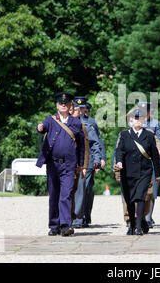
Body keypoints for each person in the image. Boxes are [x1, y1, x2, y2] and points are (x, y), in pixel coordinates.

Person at [36, 92, 85, 236]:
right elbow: (42, 127)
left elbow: (81, 146)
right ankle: (54, 225)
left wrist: (81, 165)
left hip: (69, 165)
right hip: (53, 164)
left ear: (70, 105)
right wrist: (39, 128)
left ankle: (65, 225)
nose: (63, 105)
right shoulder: (51, 120)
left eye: (66, 103)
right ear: (57, 105)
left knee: (66, 194)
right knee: (54, 195)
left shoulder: (76, 123)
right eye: (60, 103)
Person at [115, 109, 160, 235]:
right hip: (127, 171)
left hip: (144, 172)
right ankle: (132, 225)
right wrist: (119, 162)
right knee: (129, 199)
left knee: (141, 197)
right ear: (130, 121)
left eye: (141, 118)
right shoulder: (124, 135)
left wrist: (157, 174)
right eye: (136, 118)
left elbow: (155, 156)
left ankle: (139, 226)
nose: (138, 121)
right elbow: (119, 151)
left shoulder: (149, 135)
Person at [71, 96, 102, 228]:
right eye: (77, 108)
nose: (80, 110)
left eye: (81, 108)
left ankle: (79, 218)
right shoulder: (64, 122)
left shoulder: (89, 124)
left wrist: (98, 159)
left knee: (82, 190)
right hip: (69, 161)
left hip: (85, 162)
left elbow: (97, 143)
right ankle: (70, 216)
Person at [137, 102, 160, 228]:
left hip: (152, 160)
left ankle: (148, 217)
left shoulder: (156, 124)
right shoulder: (133, 123)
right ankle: (140, 216)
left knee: (152, 190)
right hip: (137, 161)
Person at [81, 100, 106, 225]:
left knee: (86, 188)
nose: (85, 112)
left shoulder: (91, 122)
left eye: (86, 110)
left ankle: (85, 215)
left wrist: (101, 158)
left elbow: (98, 141)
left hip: (89, 159)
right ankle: (77, 216)